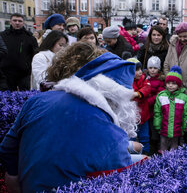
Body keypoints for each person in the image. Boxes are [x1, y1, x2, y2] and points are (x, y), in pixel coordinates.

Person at [0, 42, 141, 192]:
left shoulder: (36, 101)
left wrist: (17, 181)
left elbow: (7, 149)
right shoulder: (112, 133)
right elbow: (120, 178)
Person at [153, 66, 187, 152]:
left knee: (174, 146)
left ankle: (173, 161)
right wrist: (157, 124)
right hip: (164, 127)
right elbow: (157, 112)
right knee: (163, 145)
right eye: (168, 83)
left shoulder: (183, 97)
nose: (170, 85)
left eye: (174, 83)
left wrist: (184, 127)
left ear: (178, 85)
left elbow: (186, 113)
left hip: (177, 129)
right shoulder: (162, 96)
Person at [0, 13, 38, 91]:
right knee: (7, 97)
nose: (17, 23)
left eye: (20, 21)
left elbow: (35, 55)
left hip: (24, 73)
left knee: (25, 95)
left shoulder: (30, 37)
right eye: (15, 20)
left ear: (23, 23)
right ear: (10, 22)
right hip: (6, 73)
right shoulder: (3, 36)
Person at [128, 58, 151, 154]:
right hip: (132, 117)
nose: (140, 72)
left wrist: (137, 94)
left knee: (145, 137)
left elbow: (147, 88)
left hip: (144, 116)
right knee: (131, 137)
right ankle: (132, 155)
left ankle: (146, 154)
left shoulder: (144, 79)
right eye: (136, 70)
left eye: (140, 69)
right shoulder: (127, 82)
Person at [145, 56, 165, 154]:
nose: (152, 70)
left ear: (158, 69)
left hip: (154, 111)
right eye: (150, 68)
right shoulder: (144, 78)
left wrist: (148, 101)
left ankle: (155, 151)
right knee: (146, 132)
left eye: (155, 68)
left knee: (155, 133)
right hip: (145, 111)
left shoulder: (160, 81)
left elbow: (159, 95)